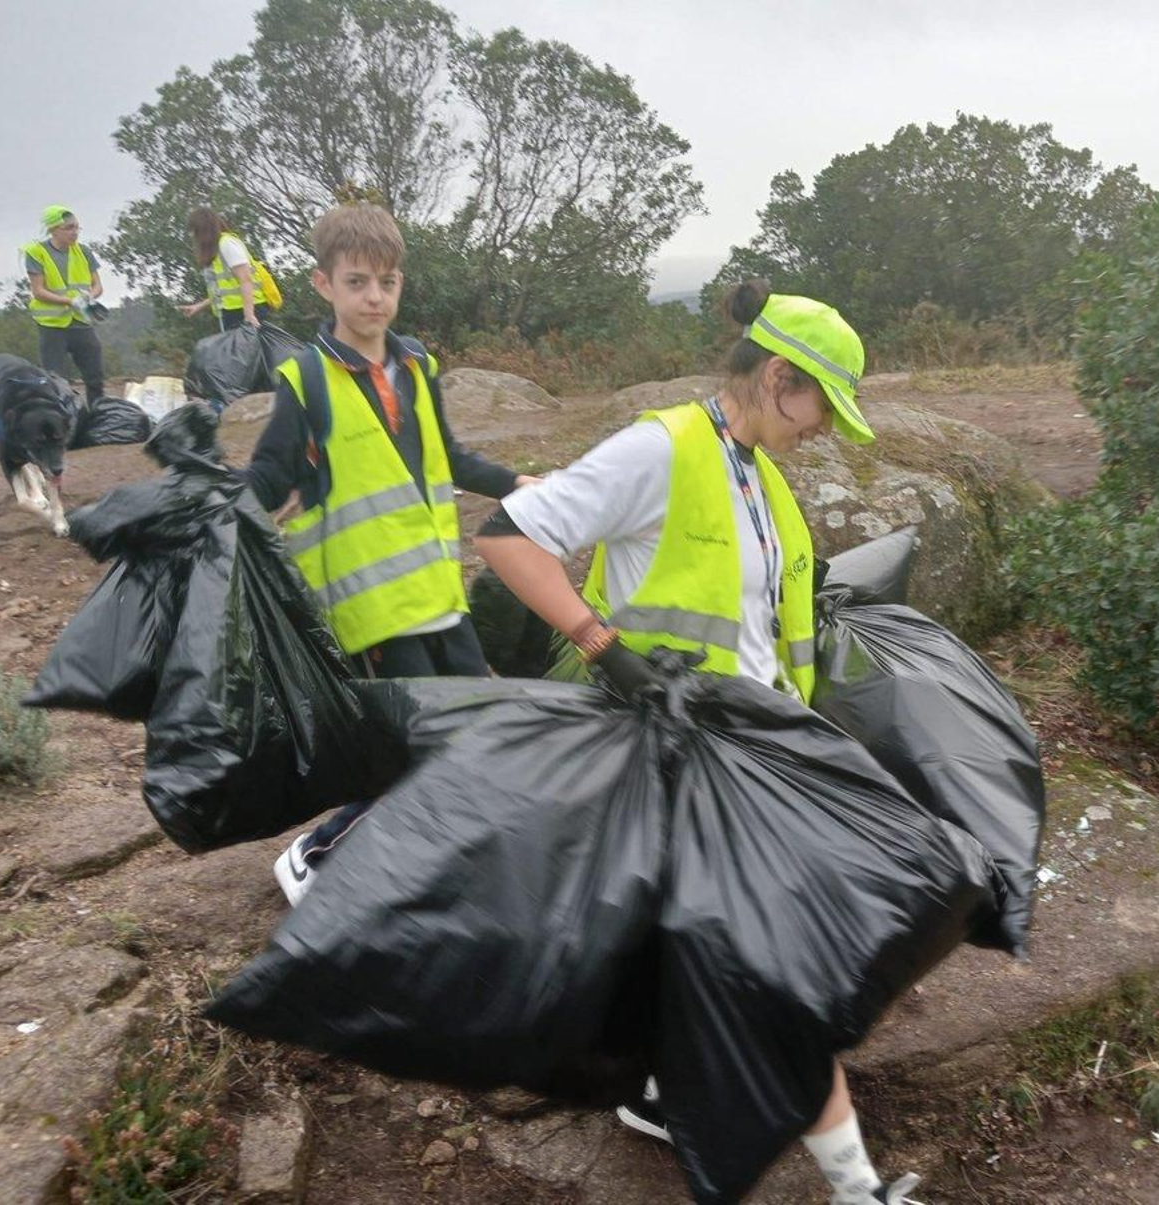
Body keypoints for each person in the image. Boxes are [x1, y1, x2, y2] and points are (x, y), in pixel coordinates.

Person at [475, 281, 923, 1205]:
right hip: (679, 753)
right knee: (786, 973)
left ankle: (657, 1085)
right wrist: (605, 648)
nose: (826, 430)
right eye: (822, 407)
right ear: (777, 376)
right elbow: (508, 535)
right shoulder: (661, 449)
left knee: (705, 950)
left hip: (748, 753)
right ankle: (861, 1191)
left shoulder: (756, 471)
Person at [239, 201, 538, 907]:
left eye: (387, 282)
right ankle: (317, 853)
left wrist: (515, 481)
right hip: (372, 612)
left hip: (438, 597)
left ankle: (444, 858)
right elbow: (267, 479)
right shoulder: (306, 382)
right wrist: (219, 520)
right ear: (323, 284)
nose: (374, 297)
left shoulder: (415, 364)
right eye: (357, 282)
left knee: (474, 726)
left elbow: (449, 456)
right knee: (413, 751)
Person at [22, 205, 105, 402]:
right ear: (53, 230)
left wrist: (89, 297)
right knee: (56, 382)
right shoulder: (36, 252)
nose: (74, 232)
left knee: (95, 376)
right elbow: (38, 291)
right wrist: (69, 301)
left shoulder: (83, 252)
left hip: (81, 322)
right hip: (52, 326)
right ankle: (62, 423)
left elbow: (98, 285)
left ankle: (97, 415)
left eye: (77, 227)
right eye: (68, 228)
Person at [179, 207, 264, 331]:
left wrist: (249, 315)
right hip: (231, 310)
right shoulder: (216, 249)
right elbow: (224, 290)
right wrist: (200, 306)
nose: (193, 236)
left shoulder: (227, 244)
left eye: (194, 231)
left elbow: (246, 279)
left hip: (246, 310)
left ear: (202, 230)